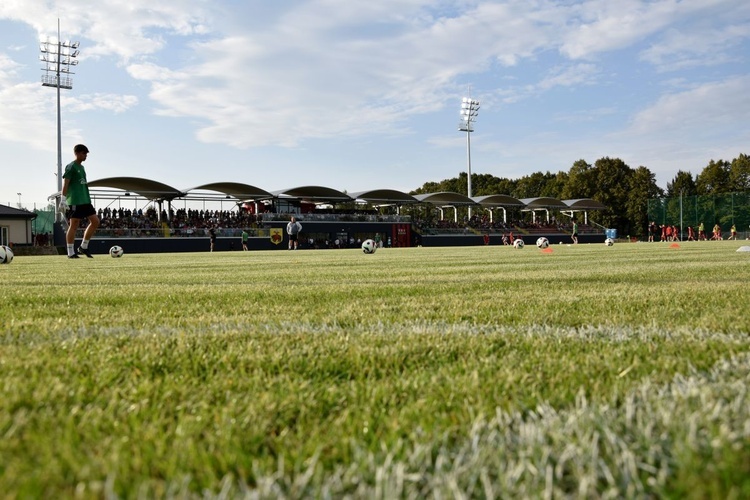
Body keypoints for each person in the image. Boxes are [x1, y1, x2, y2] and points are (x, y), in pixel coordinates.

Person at [60, 144, 99, 258]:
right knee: (74, 225)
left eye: (86, 154)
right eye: (83, 153)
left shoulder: (82, 167)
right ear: (76, 153)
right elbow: (66, 183)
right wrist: (63, 199)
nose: (85, 155)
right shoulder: (70, 166)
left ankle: (83, 247)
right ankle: (70, 252)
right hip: (74, 200)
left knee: (95, 221)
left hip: (85, 200)